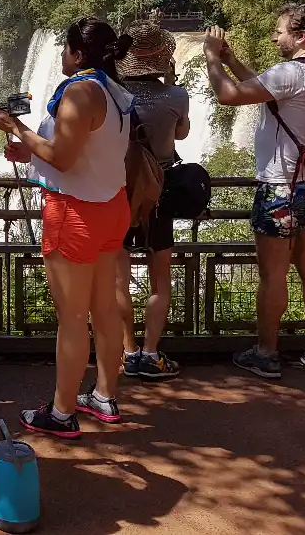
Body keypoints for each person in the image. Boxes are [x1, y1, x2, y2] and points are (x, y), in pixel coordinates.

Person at [0, 17, 134, 439]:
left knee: (71, 318)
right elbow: (86, 152)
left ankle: (61, 412)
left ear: (78, 52)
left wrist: (16, 127)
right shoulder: (114, 91)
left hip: (75, 213)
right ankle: (104, 396)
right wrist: (31, 153)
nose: (61, 55)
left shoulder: (79, 91)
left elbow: (65, 160)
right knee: (103, 308)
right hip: (111, 207)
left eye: (65, 48)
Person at [203, 5, 305, 380]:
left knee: (273, 274)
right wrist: (232, 61)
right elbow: (266, 93)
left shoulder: (292, 72)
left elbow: (229, 95)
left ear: (301, 36)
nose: (274, 36)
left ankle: (265, 353)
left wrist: (212, 58)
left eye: (280, 30)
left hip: (281, 186)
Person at [116, 22, 190, 380]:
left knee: (118, 279)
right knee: (161, 281)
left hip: (118, 195)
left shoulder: (112, 96)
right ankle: (150, 353)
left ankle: (128, 351)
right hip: (158, 195)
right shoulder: (176, 96)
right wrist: (172, 83)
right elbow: (182, 133)